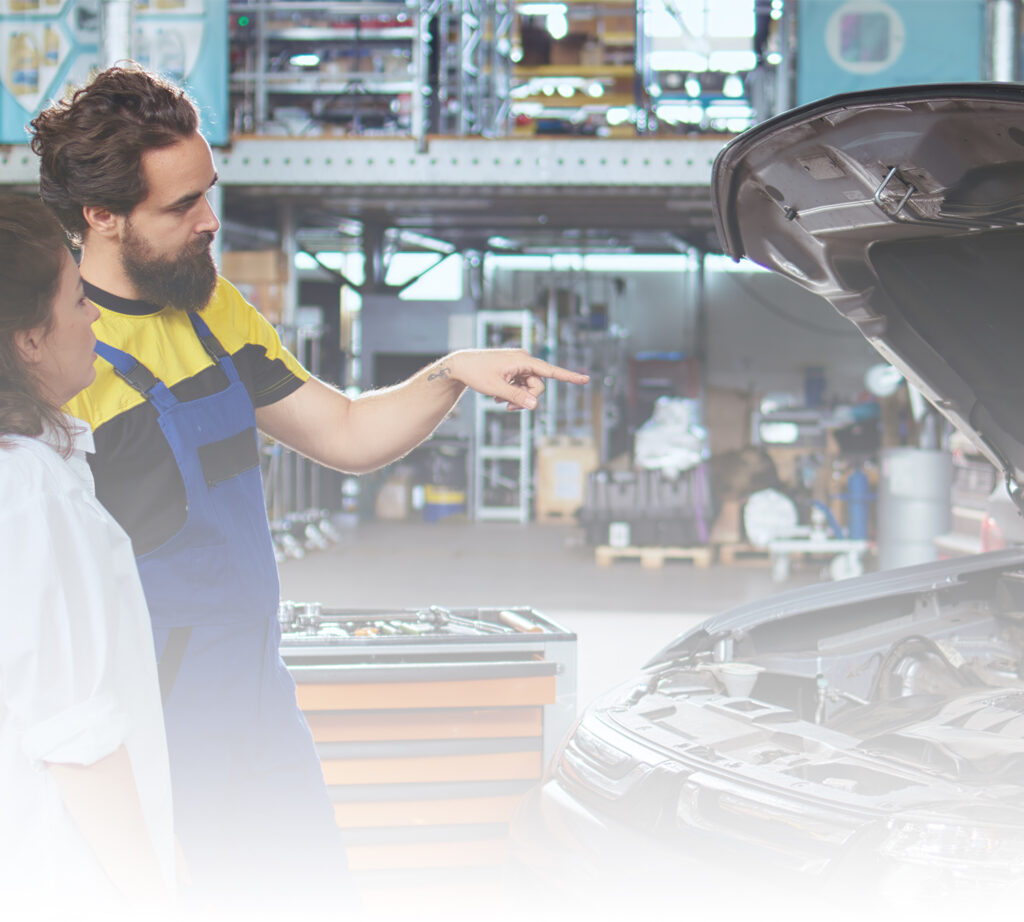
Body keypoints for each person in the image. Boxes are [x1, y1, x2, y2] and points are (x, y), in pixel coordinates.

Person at [29, 64, 589, 912]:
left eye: (208, 192)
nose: (210, 222)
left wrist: (448, 374)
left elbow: (346, 433)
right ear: (101, 216)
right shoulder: (58, 367)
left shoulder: (212, 309)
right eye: (181, 207)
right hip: (154, 721)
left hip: (259, 695)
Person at [0, 193, 177, 917]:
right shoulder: (31, 491)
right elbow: (78, 738)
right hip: (69, 876)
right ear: (29, 341)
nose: (94, 315)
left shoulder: (40, 468)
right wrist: (158, 897)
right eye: (77, 299)